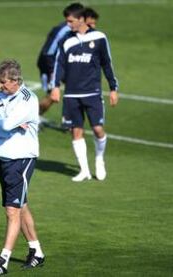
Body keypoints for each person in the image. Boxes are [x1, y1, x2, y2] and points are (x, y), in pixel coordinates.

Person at [0, 59, 45, 276]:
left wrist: (3, 123)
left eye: (3, 82)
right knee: (21, 204)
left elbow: (0, 124)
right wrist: (7, 125)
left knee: (12, 210)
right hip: (4, 158)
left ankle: (2, 261)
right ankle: (36, 251)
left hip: (22, 159)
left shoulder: (28, 99)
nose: (0, 86)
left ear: (15, 80)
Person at [50, 3, 119, 182]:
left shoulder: (99, 37)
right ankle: (84, 170)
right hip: (71, 93)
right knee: (76, 131)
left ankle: (99, 159)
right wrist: (55, 86)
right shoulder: (66, 40)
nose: (68, 24)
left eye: (70, 21)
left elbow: (107, 63)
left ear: (81, 19)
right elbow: (59, 64)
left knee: (97, 129)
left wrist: (113, 88)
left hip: (92, 92)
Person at [36, 5, 99, 116]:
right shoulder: (64, 31)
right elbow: (48, 53)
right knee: (52, 95)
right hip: (49, 64)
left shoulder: (83, 31)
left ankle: (73, 122)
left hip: (64, 64)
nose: (93, 26)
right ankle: (32, 118)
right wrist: (53, 74)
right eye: (91, 23)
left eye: (94, 24)